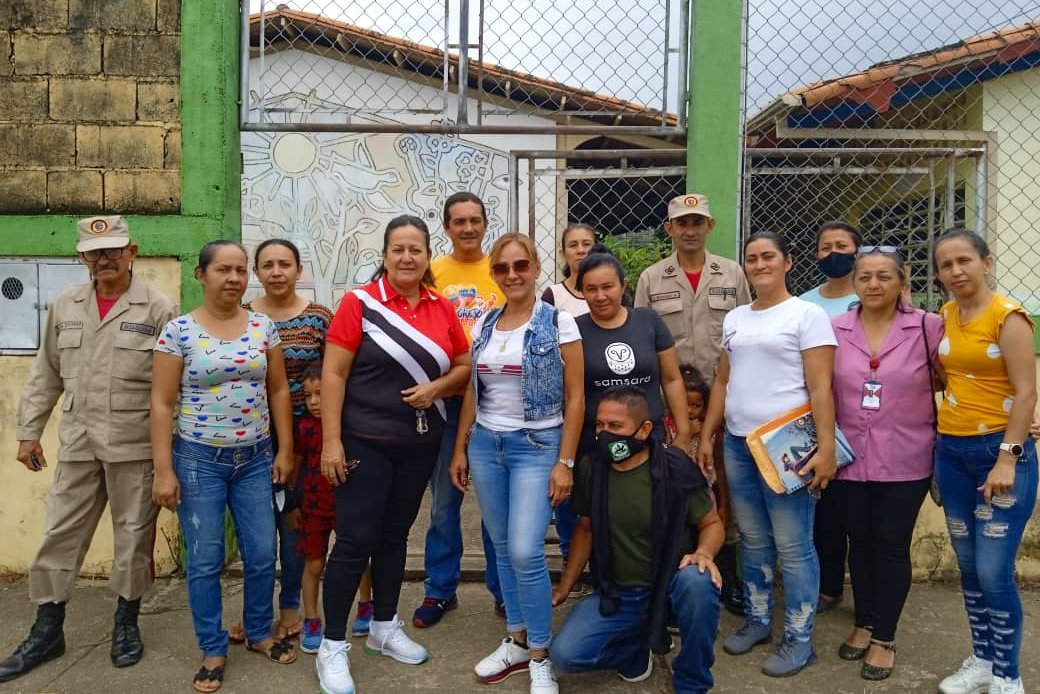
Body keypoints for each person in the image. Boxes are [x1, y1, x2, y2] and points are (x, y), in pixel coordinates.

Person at [1, 216, 177, 684]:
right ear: (82, 257)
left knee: (133, 538)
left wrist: (167, 457)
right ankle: (47, 629)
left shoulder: (159, 308)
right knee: (59, 533)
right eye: (95, 252)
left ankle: (126, 623)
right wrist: (28, 432)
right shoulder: (65, 305)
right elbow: (46, 373)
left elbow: (171, 388)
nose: (105, 259)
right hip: (79, 441)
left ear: (132, 252)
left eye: (114, 250)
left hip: (134, 444)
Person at [316, 215, 471, 694]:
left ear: (428, 257)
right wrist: (332, 441)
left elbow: (464, 366)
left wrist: (437, 389)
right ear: (385, 255)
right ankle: (333, 645)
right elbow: (335, 375)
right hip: (363, 440)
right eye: (398, 249)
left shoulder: (441, 307)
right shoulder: (358, 303)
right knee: (354, 541)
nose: (407, 257)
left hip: (419, 443)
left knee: (395, 536)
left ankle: (384, 626)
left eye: (416, 250)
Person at [151, 240, 297, 693]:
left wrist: (284, 448)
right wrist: (163, 469)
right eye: (223, 270)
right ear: (202, 275)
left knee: (259, 554)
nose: (233, 279)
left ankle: (256, 632)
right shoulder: (179, 332)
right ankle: (213, 647)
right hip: (197, 460)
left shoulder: (262, 326)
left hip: (255, 458)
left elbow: (277, 390)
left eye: (239, 270)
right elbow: (161, 402)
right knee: (206, 559)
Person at [698, 231, 838, 678]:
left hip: (786, 449)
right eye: (752, 259)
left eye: (768, 257)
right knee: (754, 540)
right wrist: (707, 434)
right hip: (740, 444)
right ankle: (759, 620)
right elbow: (722, 381)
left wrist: (827, 448)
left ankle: (799, 638)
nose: (760, 265)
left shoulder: (807, 315)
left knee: (793, 546)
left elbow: (821, 387)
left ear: (787, 262)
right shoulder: (737, 317)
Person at [449, 233, 584, 694]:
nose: (512, 275)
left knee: (526, 550)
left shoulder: (559, 322)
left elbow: (576, 396)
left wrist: (565, 460)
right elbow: (473, 389)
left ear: (536, 267)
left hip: (537, 443)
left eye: (520, 265)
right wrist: (461, 447)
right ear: (494, 273)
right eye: (503, 268)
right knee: (503, 546)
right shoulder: (486, 323)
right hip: (488, 444)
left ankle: (541, 654)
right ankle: (518, 639)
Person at [550, 388, 723, 693]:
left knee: (699, 583)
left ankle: (692, 682)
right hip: (621, 593)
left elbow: (711, 523)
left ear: (644, 430)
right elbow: (586, 529)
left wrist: (704, 553)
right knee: (565, 655)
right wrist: (566, 585)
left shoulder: (673, 469)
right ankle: (636, 649)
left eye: (615, 427)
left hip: (670, 584)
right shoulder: (593, 468)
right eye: (600, 426)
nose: (605, 434)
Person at [931, 229, 1037, 694]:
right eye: (945, 265)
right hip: (951, 452)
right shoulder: (947, 315)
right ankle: (982, 659)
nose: (956, 272)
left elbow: (1027, 391)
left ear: (986, 262)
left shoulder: (1008, 317)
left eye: (964, 261)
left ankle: (1008, 676)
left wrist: (1008, 459)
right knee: (969, 567)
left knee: (995, 571)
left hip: (1000, 452)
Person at [829, 247, 942, 680]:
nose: (874, 285)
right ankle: (864, 622)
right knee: (859, 543)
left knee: (892, 545)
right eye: (865, 277)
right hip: (848, 457)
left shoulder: (928, 327)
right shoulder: (835, 328)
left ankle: (885, 637)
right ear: (854, 283)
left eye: (884, 277)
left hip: (906, 458)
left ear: (901, 282)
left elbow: (956, 377)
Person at [221, 239, 336, 645]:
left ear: (299, 269)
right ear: (256, 272)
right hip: (250, 437)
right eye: (267, 265)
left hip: (304, 442)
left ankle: (290, 606)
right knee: (256, 530)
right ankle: (256, 613)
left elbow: (336, 376)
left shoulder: (320, 318)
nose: (276, 272)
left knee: (294, 524)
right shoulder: (242, 316)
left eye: (284, 264)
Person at [414, 192, 504, 628]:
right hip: (447, 396)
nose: (468, 228)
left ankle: (503, 590)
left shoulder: (501, 270)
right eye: (459, 221)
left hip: (495, 397)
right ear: (446, 227)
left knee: (493, 504)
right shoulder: (433, 274)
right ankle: (439, 589)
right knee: (444, 503)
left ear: (486, 223)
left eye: (475, 220)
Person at [799, 220, 862, 615]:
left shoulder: (872, 297)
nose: (833, 253)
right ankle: (828, 586)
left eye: (841, 245)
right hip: (817, 418)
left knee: (864, 513)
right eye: (825, 247)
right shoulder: (806, 304)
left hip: (864, 415)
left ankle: (870, 593)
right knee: (825, 510)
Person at [293, 362, 375, 653]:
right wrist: (293, 504)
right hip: (314, 508)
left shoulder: (349, 424)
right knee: (314, 563)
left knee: (356, 557)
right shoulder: (303, 428)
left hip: (347, 503)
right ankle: (312, 620)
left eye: (321, 394)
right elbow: (297, 466)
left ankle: (366, 606)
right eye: (308, 396)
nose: (315, 402)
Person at [635, 193, 751, 384]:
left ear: (710, 226)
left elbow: (746, 331)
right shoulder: (651, 279)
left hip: (723, 386)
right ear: (669, 228)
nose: (690, 232)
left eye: (697, 223)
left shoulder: (732, 273)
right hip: (673, 389)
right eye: (682, 224)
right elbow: (643, 341)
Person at [680, 364, 743, 617]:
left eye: (696, 406)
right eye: (685, 404)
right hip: (680, 497)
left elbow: (719, 466)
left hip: (707, 493)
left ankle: (724, 586)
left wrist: (725, 503)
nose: (689, 411)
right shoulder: (668, 429)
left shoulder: (713, 433)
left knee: (718, 535)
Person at [540, 222, 597, 317]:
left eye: (586, 244)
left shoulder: (608, 292)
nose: (581, 250)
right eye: (573, 245)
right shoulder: (553, 295)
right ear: (563, 254)